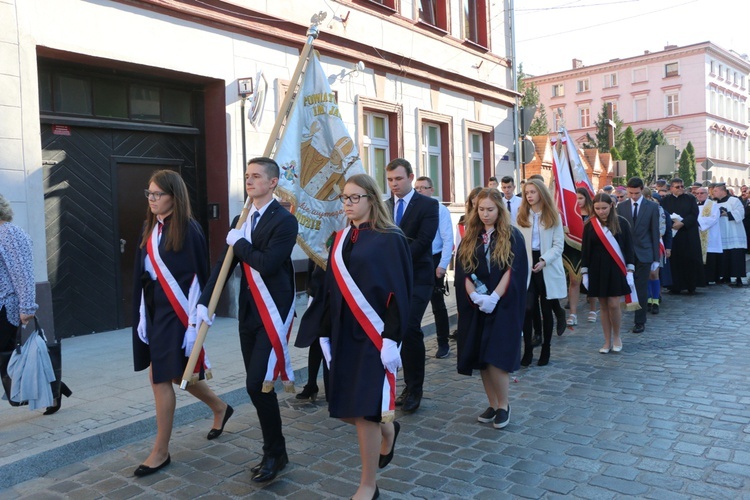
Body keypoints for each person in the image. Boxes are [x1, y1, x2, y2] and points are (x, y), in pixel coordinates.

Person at [305, 174, 412, 500]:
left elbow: (399, 291)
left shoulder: (390, 238)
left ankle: (368, 484)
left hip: (373, 336)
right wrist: (323, 333)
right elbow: (327, 289)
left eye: (354, 198)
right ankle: (388, 428)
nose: (348, 204)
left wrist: (392, 339)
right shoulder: (338, 239)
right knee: (347, 407)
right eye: (344, 198)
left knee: (364, 409)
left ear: (370, 199)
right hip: (342, 333)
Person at [198, 157, 298, 483]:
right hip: (249, 312)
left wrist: (239, 242)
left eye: (256, 176)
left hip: (273, 312)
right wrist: (205, 303)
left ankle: (274, 452)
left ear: (272, 182)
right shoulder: (242, 218)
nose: (250, 181)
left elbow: (267, 264)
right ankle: (276, 449)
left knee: (257, 384)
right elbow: (224, 264)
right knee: (258, 387)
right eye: (247, 176)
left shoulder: (284, 221)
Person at [131, 171, 231, 477]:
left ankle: (160, 451)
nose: (151, 200)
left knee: (160, 378)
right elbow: (144, 274)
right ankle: (220, 408)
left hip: (178, 314)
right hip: (154, 310)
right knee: (175, 375)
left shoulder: (189, 229)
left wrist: (192, 326)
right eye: (148, 194)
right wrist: (141, 315)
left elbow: (197, 280)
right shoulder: (152, 227)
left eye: (157, 194)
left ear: (174, 196)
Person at [455, 188, 528, 429]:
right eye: (481, 209)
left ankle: (504, 405)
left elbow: (512, 270)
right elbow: (464, 269)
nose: (485, 214)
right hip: (477, 306)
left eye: (490, 210)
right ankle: (492, 402)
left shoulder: (512, 236)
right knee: (482, 358)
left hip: (502, 305)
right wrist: (475, 296)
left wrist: (495, 297)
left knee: (497, 358)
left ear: (500, 210)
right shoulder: (471, 236)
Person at [385, 158, 438, 413]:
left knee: (410, 327)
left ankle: (415, 388)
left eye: (399, 179)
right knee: (395, 330)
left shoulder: (428, 205)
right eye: (390, 180)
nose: (394, 184)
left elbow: (423, 240)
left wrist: (394, 258)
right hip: (390, 280)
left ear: (410, 177)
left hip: (418, 276)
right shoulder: (383, 206)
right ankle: (403, 386)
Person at [515, 179, 567, 367]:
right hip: (527, 266)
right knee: (528, 308)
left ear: (542, 194)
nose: (529, 195)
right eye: (527, 192)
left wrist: (544, 260)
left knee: (546, 309)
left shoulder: (553, 215)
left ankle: (546, 349)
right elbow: (518, 242)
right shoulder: (521, 215)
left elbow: (558, 245)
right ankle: (527, 350)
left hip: (547, 264)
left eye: (533, 192)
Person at [581, 193, 636, 354]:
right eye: (597, 208)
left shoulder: (622, 223)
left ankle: (617, 336)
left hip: (616, 268)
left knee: (614, 303)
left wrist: (630, 271)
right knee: (603, 306)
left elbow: (629, 249)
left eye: (604, 208)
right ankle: (606, 340)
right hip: (597, 269)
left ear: (611, 206)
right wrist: (585, 273)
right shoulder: (589, 225)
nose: (601, 211)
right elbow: (585, 251)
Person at [0, 194, 40, 405]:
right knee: (6, 359)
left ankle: (37, 390)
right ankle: (39, 390)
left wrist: (27, 306)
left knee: (7, 357)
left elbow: (23, 273)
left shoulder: (10, 234)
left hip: (6, 307)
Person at [414, 176, 453, 359]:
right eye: (417, 188)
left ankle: (443, 342)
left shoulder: (440, 209)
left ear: (432, 190)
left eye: (423, 187)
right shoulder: (413, 207)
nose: (420, 190)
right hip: (416, 258)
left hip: (434, 258)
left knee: (437, 304)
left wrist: (443, 265)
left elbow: (447, 238)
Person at [616, 177, 660, 334]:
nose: (633, 196)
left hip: (645, 253)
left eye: (636, 193)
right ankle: (623, 313)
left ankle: (640, 321)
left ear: (642, 190)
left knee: (641, 288)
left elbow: (655, 232)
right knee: (626, 287)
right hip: (626, 254)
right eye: (630, 193)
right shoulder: (621, 207)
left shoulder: (652, 207)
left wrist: (656, 258)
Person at [661, 178, 703, 294]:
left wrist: (682, 223)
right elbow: (663, 214)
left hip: (688, 233)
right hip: (673, 234)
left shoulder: (690, 198)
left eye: (681, 186)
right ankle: (675, 286)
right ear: (671, 189)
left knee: (690, 259)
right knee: (675, 260)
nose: (680, 189)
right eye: (677, 187)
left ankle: (691, 285)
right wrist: (672, 224)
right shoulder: (665, 200)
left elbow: (694, 214)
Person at [294, 258, 328, 402]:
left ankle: (332, 387)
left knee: (329, 341)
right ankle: (311, 383)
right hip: (318, 294)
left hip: (335, 294)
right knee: (316, 340)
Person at [564, 187, 597, 326]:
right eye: (575, 198)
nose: (578, 201)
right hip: (574, 250)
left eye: (580, 198)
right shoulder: (568, 214)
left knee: (592, 281)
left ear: (586, 198)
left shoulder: (593, 214)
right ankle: (573, 313)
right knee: (574, 281)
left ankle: (593, 310)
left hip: (590, 249)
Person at [713, 183, 747, 286]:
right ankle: (725, 276)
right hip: (721, 233)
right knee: (723, 255)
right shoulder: (713, 203)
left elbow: (741, 213)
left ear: (722, 191)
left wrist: (727, 214)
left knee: (735, 255)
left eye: (715, 191)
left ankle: (738, 277)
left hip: (734, 232)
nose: (713, 193)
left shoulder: (734, 201)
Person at [696, 186, 721, 284]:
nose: (699, 195)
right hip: (697, 234)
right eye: (697, 193)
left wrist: (698, 222)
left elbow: (714, 218)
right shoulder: (694, 204)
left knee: (709, 257)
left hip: (710, 235)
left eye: (702, 193)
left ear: (707, 194)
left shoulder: (713, 205)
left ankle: (709, 278)